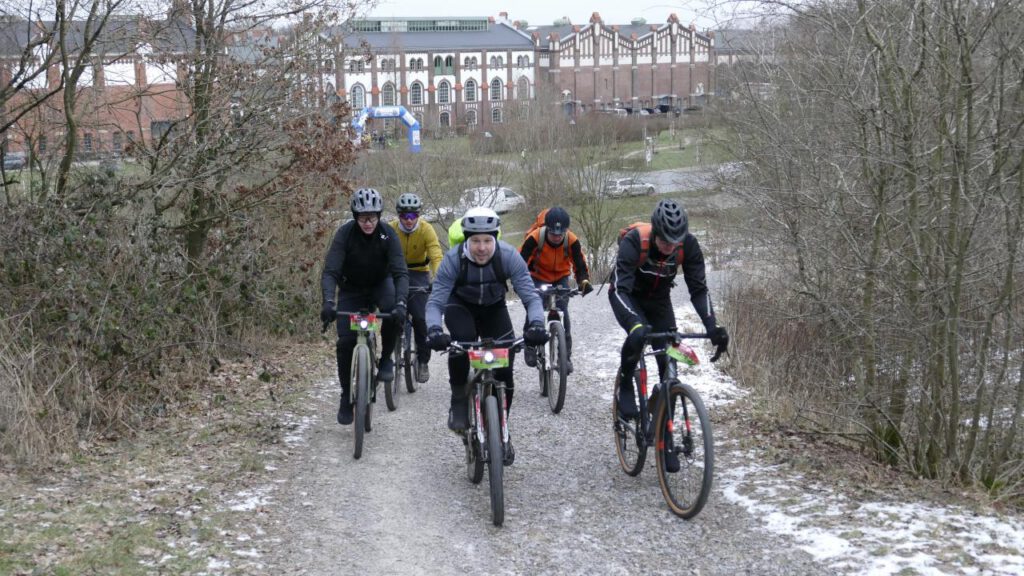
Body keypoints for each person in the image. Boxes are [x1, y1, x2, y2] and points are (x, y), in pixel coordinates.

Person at [425, 207, 547, 460]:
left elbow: (531, 297)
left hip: (494, 308)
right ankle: (459, 398)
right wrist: (435, 329)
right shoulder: (453, 260)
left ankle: (502, 429)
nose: (482, 248)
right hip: (461, 307)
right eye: (476, 241)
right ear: (467, 240)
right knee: (459, 345)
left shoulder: (508, 256)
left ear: (496, 239)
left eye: (487, 241)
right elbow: (435, 302)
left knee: (505, 368)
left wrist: (536, 324)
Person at [609, 198, 729, 426]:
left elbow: (699, 290)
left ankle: (664, 431)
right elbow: (619, 289)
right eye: (664, 241)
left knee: (669, 358)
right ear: (655, 232)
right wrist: (635, 324)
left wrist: (712, 326)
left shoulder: (689, 246)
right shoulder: (635, 242)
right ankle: (625, 383)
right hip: (629, 296)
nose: (670, 247)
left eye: (675, 242)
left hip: (659, 301)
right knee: (637, 334)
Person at [320, 188, 409, 425]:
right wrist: (328, 301)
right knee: (345, 343)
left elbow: (401, 272)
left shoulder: (388, 234)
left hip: (381, 283)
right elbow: (330, 271)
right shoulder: (345, 234)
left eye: (372, 217)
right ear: (354, 216)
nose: (368, 223)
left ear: (379, 215)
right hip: (351, 289)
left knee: (392, 312)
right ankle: (345, 396)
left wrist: (401, 303)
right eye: (362, 218)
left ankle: (387, 357)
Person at [518, 206, 593, 374]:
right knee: (534, 308)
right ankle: (529, 344)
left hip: (560, 278)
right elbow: (520, 262)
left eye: (561, 234)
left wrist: (583, 282)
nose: (557, 238)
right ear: (547, 229)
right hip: (537, 276)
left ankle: (565, 357)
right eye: (553, 234)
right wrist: (521, 284)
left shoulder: (571, 240)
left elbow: (580, 265)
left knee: (563, 313)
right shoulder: (535, 237)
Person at [389, 193, 444, 383]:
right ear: (398, 216)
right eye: (404, 216)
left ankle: (423, 361)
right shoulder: (391, 228)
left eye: (412, 216)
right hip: (396, 273)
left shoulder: (426, 229)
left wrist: (438, 278)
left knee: (421, 318)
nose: (409, 220)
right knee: (393, 315)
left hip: (419, 274)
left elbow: (436, 255)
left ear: (418, 216)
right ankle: (390, 353)